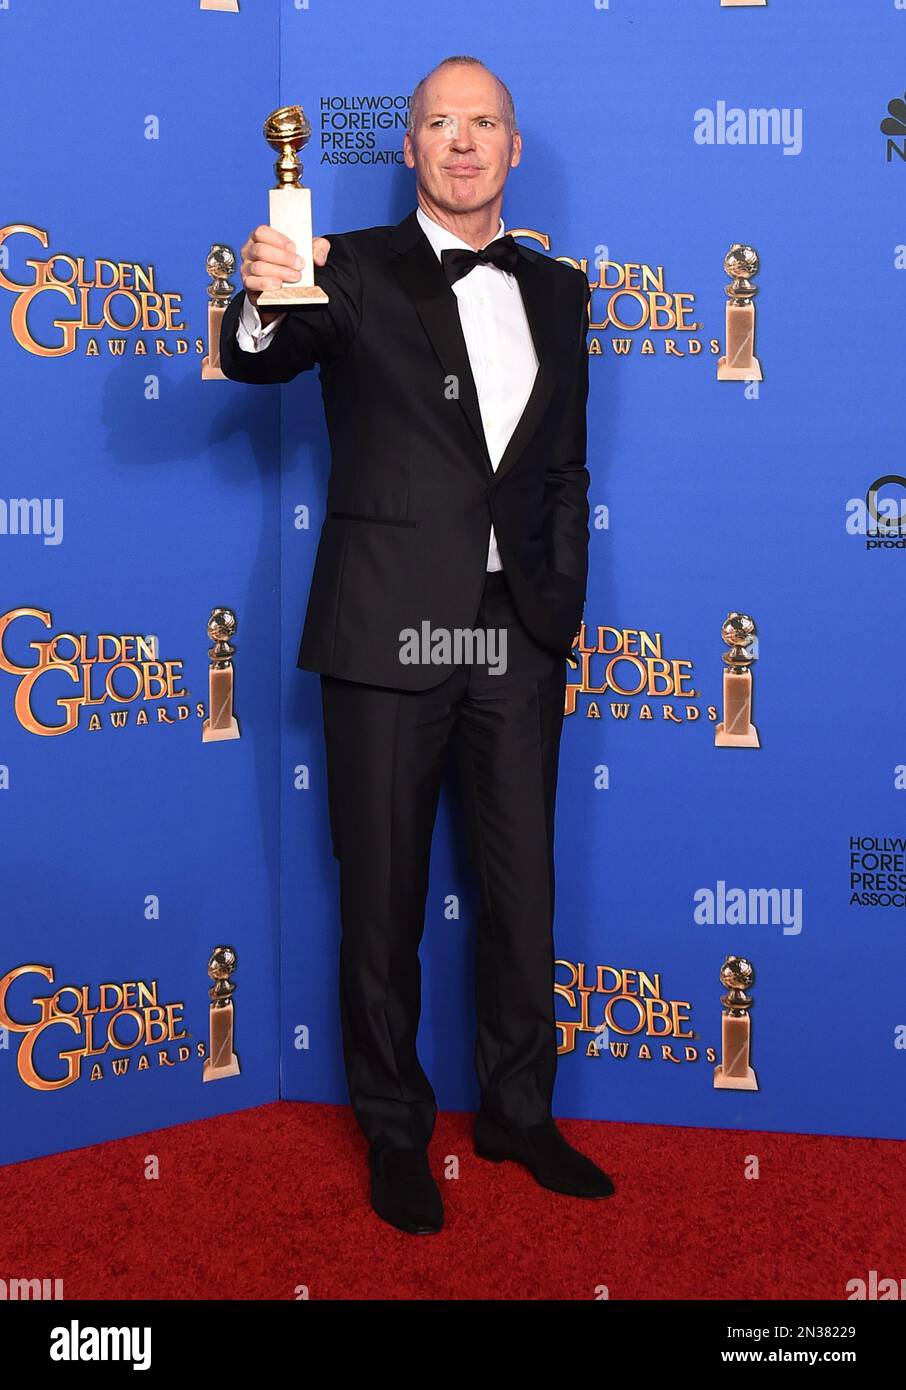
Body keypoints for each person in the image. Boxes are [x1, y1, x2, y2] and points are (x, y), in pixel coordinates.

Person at [218, 54, 614, 1234]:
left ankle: (518, 1110)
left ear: (513, 148)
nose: (461, 140)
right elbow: (257, 355)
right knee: (383, 899)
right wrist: (259, 294)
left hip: (516, 637)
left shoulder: (560, 291)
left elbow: (563, 468)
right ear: (407, 147)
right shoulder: (350, 270)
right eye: (439, 122)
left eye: (482, 122)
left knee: (522, 894)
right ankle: (395, 1130)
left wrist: (559, 604)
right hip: (387, 620)